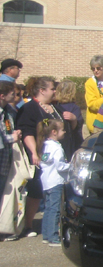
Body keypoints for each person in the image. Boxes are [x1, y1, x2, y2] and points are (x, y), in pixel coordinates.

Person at [15, 76, 61, 235]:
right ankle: (28, 225)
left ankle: (53, 224)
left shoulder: (54, 108)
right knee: (36, 190)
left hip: (55, 156)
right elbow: (27, 132)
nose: (54, 91)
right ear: (42, 90)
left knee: (53, 191)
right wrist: (34, 152)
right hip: (39, 156)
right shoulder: (30, 109)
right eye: (52, 88)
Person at [36, 119, 70, 247]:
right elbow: (60, 166)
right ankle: (53, 237)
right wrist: (71, 166)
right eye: (62, 129)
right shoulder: (57, 148)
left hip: (46, 182)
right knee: (55, 210)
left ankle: (46, 235)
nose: (64, 131)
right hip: (56, 182)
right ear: (54, 132)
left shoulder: (44, 145)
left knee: (48, 209)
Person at [0, 81, 22, 234]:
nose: (16, 97)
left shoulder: (9, 111)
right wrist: (12, 138)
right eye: (13, 94)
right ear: (2, 96)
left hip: (6, 162)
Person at [53, 80, 84, 160]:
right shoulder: (74, 108)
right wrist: (74, 119)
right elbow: (75, 128)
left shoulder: (54, 106)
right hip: (73, 142)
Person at [85, 55, 103, 134]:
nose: (95, 71)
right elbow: (92, 105)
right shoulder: (90, 83)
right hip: (96, 125)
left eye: (98, 68)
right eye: (93, 69)